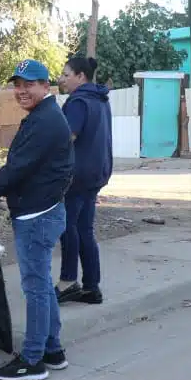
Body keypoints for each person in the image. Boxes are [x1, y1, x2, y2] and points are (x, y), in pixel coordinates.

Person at [0, 59, 74, 380]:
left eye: (29, 84)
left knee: (35, 287)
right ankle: (53, 349)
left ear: (45, 86)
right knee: (42, 286)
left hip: (38, 215)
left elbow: (16, 170)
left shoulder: (46, 121)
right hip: (42, 210)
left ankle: (33, 360)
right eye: (17, 85)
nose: (21, 91)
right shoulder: (42, 116)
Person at [56, 56, 113, 305]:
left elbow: (67, 137)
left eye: (66, 74)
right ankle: (91, 286)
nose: (62, 79)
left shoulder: (78, 102)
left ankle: (68, 281)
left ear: (81, 76)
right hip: (96, 173)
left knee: (68, 226)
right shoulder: (100, 99)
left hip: (77, 176)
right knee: (84, 229)